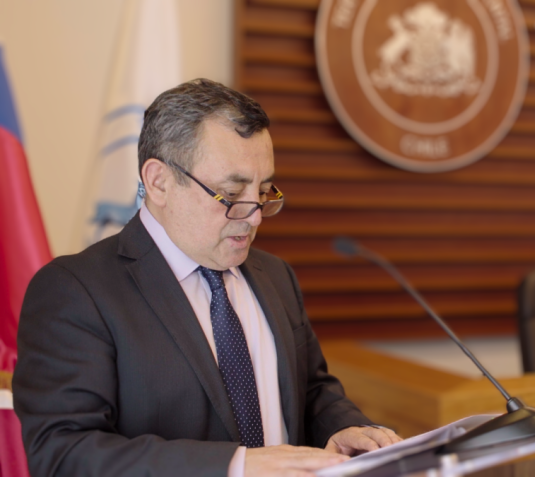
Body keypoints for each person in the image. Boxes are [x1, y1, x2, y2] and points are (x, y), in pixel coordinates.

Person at [13, 79, 401, 476]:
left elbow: (312, 390)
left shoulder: (275, 275)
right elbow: (63, 452)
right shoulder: (75, 291)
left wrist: (343, 427)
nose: (254, 216)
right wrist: (235, 466)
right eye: (230, 194)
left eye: (264, 190)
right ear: (159, 181)